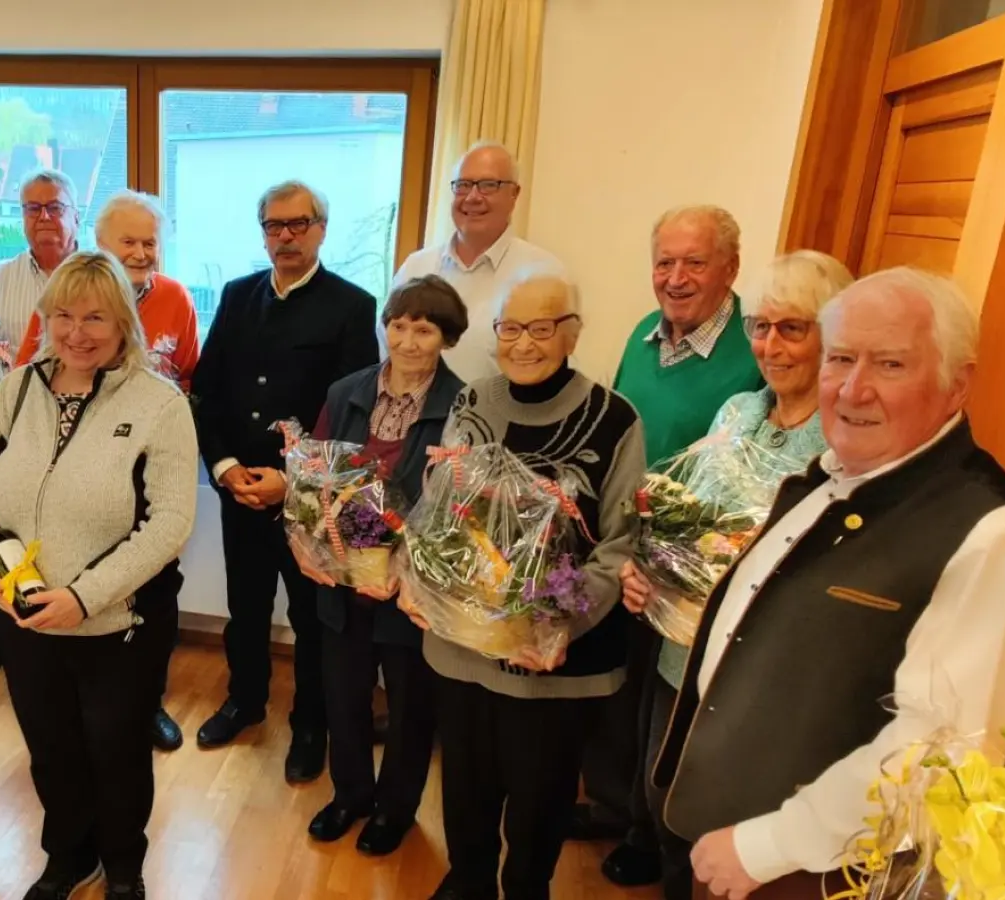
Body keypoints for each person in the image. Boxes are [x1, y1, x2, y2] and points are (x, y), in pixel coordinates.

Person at [641, 267, 1005, 900]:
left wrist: (765, 848)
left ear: (956, 383)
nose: (854, 389)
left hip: (816, 873)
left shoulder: (999, 533)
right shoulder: (830, 480)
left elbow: (936, 760)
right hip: (730, 842)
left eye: (890, 364)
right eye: (841, 359)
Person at [0, 252, 197, 900]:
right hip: (22, 618)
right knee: (51, 747)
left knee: (116, 751)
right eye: (63, 314)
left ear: (124, 321)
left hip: (120, 623)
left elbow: (170, 523)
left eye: (95, 316)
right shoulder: (16, 388)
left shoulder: (159, 404)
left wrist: (84, 596)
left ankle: (122, 865)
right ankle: (68, 855)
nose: (76, 331)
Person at [405, 269, 645, 900]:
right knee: (465, 786)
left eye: (542, 328)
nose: (524, 344)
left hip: (557, 662)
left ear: (572, 332)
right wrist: (418, 579)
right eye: (510, 328)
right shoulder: (472, 402)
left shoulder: (614, 417)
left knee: (540, 800)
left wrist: (557, 624)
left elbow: (620, 542)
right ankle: (470, 882)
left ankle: (526, 891)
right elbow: (441, 510)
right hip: (463, 649)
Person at [620, 249, 853, 900]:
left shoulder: (841, 446)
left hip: (763, 677)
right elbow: (681, 517)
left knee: (729, 830)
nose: (771, 345)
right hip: (681, 651)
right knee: (664, 797)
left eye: (793, 328)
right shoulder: (737, 416)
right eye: (762, 326)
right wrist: (644, 570)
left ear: (831, 336)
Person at [584, 205, 765, 887]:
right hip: (625, 542)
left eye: (694, 262)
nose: (675, 276)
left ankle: (652, 829)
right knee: (620, 687)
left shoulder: (755, 352)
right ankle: (611, 804)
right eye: (664, 261)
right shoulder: (641, 333)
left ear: (730, 268)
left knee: (672, 703)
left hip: (693, 564)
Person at [190, 179, 380, 783]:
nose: (287, 236)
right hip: (239, 487)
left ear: (322, 229)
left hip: (305, 499)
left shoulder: (352, 305)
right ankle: (244, 701)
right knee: (243, 608)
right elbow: (206, 392)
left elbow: (351, 414)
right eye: (275, 226)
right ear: (264, 234)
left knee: (308, 618)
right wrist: (222, 468)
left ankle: (308, 724)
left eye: (300, 224)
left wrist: (291, 481)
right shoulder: (236, 294)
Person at [14, 190, 199, 752]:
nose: (141, 251)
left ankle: (147, 701)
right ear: (100, 245)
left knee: (148, 587)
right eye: (129, 241)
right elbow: (32, 371)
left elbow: (190, 373)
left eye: (150, 242)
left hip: (150, 455)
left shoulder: (175, 296)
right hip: (84, 462)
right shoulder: (66, 297)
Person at [291, 275, 468, 856]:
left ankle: (394, 809)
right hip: (341, 579)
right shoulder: (346, 391)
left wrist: (407, 566)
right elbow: (312, 476)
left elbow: (461, 507)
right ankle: (350, 796)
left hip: (410, 591)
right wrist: (303, 541)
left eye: (425, 329)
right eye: (399, 325)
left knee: (412, 706)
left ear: (447, 337)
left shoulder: (463, 406)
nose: (409, 341)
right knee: (342, 694)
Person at [394, 141, 563, 383]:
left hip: (505, 419)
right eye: (463, 185)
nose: (472, 197)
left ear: (514, 194)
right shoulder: (416, 267)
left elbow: (553, 371)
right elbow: (387, 355)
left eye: (488, 185)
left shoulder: (543, 273)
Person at [0, 168, 80, 349]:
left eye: (55, 208)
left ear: (76, 217)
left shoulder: (103, 278)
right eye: (33, 209)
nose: (44, 217)